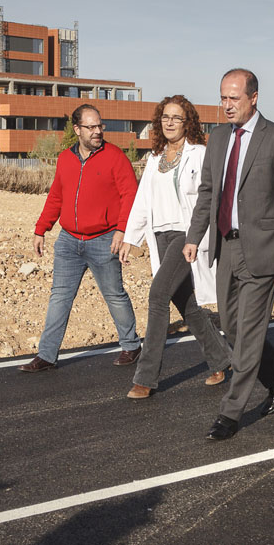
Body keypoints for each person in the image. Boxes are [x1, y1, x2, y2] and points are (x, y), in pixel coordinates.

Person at [184, 69, 274, 441]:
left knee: (249, 333)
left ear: (253, 97)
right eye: (222, 97)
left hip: (264, 249)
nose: (226, 105)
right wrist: (194, 236)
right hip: (226, 246)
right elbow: (208, 193)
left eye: (233, 98)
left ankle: (231, 412)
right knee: (232, 327)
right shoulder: (218, 137)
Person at [120, 96, 232, 398]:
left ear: (188, 123)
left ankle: (145, 377)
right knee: (186, 304)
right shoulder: (155, 159)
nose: (169, 123)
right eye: (165, 117)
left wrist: (201, 234)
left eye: (177, 118)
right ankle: (222, 358)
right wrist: (131, 238)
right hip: (160, 236)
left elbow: (210, 197)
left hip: (187, 235)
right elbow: (143, 201)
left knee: (158, 296)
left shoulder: (200, 155)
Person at [20, 104, 142, 372]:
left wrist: (122, 231)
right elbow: (56, 196)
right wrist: (41, 228)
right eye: (91, 127)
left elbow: (130, 196)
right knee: (59, 296)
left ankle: (131, 346)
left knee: (114, 295)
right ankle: (47, 356)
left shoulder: (115, 156)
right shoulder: (65, 158)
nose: (97, 131)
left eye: (100, 126)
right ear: (77, 130)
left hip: (104, 239)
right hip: (68, 241)